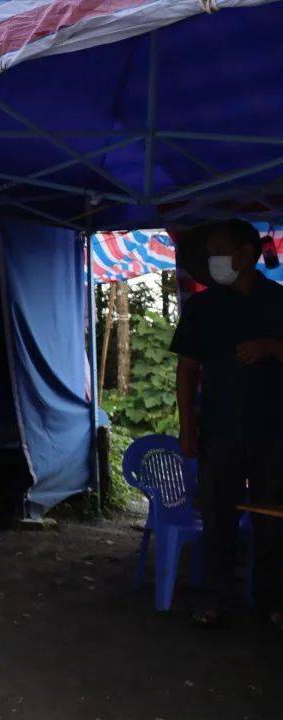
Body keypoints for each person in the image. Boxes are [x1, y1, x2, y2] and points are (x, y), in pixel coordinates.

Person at [171, 219, 283, 630]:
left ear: (247, 254)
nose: (211, 259)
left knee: (272, 520)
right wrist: (187, 428)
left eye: (218, 249)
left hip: (274, 433)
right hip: (220, 432)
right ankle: (217, 598)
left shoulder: (278, 302)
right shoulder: (202, 307)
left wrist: (272, 347)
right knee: (218, 519)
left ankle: (272, 601)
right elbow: (186, 370)